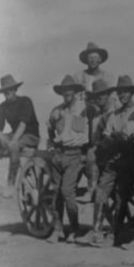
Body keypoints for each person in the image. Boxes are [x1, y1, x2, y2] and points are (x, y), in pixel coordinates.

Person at [86, 75, 134, 249]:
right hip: (114, 159)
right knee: (101, 191)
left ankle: (114, 234)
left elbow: (126, 137)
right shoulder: (114, 114)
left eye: (126, 92)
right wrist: (114, 137)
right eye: (120, 93)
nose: (123, 96)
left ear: (132, 93)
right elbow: (106, 137)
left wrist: (114, 136)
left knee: (121, 196)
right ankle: (96, 231)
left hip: (129, 160)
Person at [0, 75, 40, 198]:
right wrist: (2, 138)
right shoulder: (2, 107)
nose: (8, 92)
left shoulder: (25, 101)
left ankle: (10, 185)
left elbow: (23, 124)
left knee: (14, 144)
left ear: (15, 89)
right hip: (15, 134)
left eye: (10, 89)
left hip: (30, 135)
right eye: (5, 90)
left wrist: (12, 141)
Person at [46, 75, 90, 244]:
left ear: (76, 92)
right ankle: (58, 230)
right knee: (56, 193)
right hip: (59, 155)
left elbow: (89, 134)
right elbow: (50, 128)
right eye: (64, 91)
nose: (67, 94)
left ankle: (74, 229)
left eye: (70, 91)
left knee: (67, 191)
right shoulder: (57, 111)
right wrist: (52, 144)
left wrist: (85, 154)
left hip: (75, 155)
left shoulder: (84, 110)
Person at [83, 78, 117, 201]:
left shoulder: (114, 110)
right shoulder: (97, 114)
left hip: (113, 146)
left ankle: (90, 190)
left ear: (108, 95)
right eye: (97, 95)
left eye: (102, 94)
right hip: (102, 146)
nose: (99, 98)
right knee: (91, 151)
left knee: (91, 154)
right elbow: (94, 137)